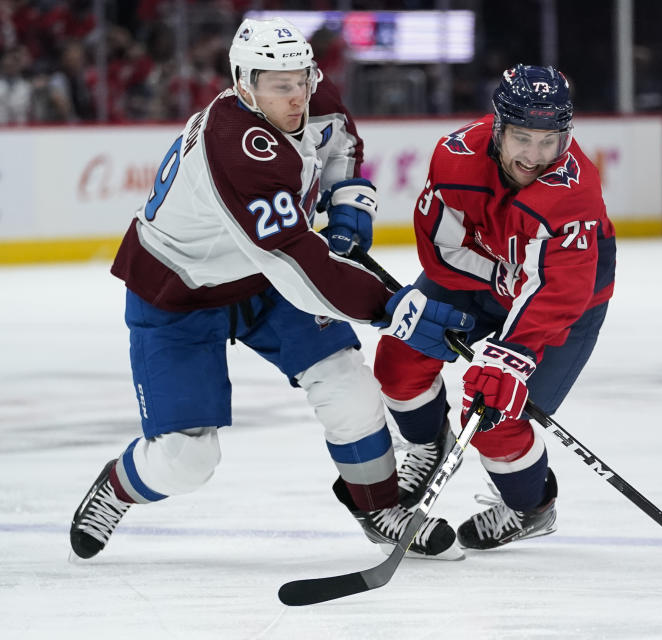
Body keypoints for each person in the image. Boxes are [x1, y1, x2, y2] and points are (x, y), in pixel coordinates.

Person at [69, 17, 472, 563]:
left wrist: (348, 197)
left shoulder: (308, 89)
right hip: (180, 289)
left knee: (345, 381)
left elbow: (340, 143)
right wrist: (389, 307)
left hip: (259, 276)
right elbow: (301, 266)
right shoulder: (235, 144)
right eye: (279, 84)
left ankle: (380, 506)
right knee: (187, 460)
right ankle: (117, 486)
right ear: (243, 84)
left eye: (301, 79)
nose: (296, 94)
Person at [373, 64, 616, 549]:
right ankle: (427, 443)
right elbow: (441, 249)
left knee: (495, 417)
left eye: (550, 140)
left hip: (565, 301)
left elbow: (558, 287)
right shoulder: (455, 156)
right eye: (523, 138)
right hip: (477, 275)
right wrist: (499, 279)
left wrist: (513, 354)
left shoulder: (573, 189)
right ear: (499, 127)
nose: (535, 156)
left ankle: (531, 507)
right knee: (398, 359)